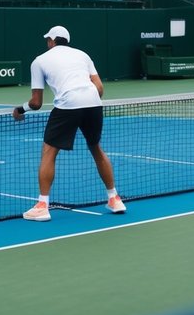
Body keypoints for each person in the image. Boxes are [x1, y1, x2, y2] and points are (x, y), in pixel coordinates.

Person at [13, 25, 126, 221]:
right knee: (96, 148)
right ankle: (114, 198)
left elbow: (37, 103)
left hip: (67, 106)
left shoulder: (39, 61)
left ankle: (42, 206)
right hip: (93, 104)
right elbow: (99, 87)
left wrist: (20, 109)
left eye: (48, 39)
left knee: (49, 152)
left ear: (52, 41)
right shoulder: (83, 55)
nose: (47, 42)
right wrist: (87, 101)